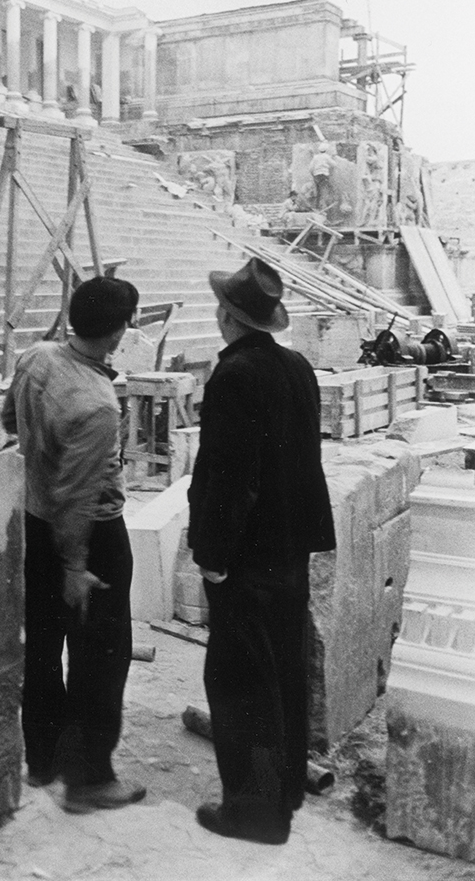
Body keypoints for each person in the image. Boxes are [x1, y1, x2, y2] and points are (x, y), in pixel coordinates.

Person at [187, 258, 336, 845]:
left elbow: (231, 478)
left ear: (228, 317)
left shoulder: (234, 376)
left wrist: (213, 554)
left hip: (246, 553)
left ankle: (254, 813)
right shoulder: (296, 367)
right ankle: (286, 791)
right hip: (290, 548)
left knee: (240, 676)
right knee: (283, 668)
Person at [1, 276, 147, 814]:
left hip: (33, 524)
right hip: (88, 541)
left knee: (41, 649)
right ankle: (88, 780)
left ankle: (43, 761)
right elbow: (78, 496)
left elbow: (6, 419)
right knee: (100, 661)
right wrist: (77, 566)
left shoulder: (36, 357)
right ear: (118, 333)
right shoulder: (98, 404)